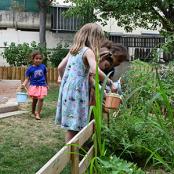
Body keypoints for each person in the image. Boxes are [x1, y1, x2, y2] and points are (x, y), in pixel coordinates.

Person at [55, 23, 116, 142]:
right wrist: (109, 82)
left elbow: (60, 67)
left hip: (67, 89)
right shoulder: (88, 51)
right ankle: (73, 156)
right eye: (99, 39)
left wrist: (65, 83)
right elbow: (95, 70)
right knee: (74, 127)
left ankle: (72, 155)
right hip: (78, 91)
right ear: (94, 37)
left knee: (71, 126)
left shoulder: (73, 50)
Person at [22, 50, 48, 120]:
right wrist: (24, 83)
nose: (38, 60)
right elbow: (27, 78)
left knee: (41, 99)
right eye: (36, 58)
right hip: (34, 86)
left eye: (40, 59)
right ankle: (33, 111)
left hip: (42, 85)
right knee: (35, 100)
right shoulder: (30, 69)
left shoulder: (43, 66)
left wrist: (47, 84)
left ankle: (38, 113)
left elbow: (45, 76)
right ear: (33, 59)